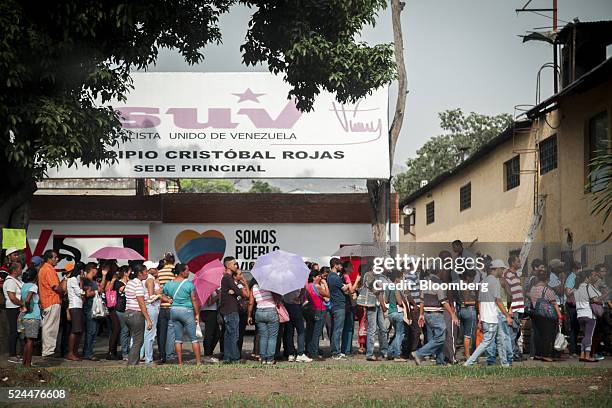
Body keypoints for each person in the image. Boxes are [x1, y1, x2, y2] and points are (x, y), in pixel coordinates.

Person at [464, 260, 513, 367]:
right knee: (487, 342)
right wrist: (507, 315)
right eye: (502, 269)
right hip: (492, 316)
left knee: (500, 340)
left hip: (487, 316)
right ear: (497, 269)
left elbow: (479, 301)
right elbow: (498, 300)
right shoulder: (494, 282)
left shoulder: (484, 281)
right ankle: (469, 362)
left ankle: (505, 364)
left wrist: (480, 317)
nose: (503, 271)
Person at [413, 267, 459, 366]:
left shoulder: (425, 283)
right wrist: (452, 314)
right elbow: (443, 301)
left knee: (438, 337)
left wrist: (421, 314)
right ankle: (419, 353)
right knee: (440, 339)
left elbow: (422, 300)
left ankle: (440, 360)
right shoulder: (439, 284)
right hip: (436, 314)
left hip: (427, 314)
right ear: (440, 271)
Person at [162, 263, 201, 365]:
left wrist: (169, 300)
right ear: (182, 272)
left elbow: (160, 293)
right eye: (187, 270)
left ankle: (180, 363)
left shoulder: (169, 283)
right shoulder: (189, 284)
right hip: (186, 311)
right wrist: (197, 313)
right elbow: (194, 299)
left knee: (178, 339)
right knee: (194, 338)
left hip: (174, 310)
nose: (188, 272)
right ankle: (198, 362)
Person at [527, 264, 563, 362]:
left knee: (538, 335)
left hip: (535, 314)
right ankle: (546, 355)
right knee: (547, 335)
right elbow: (555, 304)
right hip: (546, 316)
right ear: (547, 279)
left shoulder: (533, 289)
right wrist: (560, 317)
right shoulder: (547, 290)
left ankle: (538, 354)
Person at [219, 257, 248, 363]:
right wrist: (237, 289)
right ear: (228, 266)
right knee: (234, 335)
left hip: (227, 310)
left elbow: (235, 291)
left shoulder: (226, 278)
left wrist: (234, 290)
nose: (236, 266)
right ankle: (235, 358)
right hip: (231, 310)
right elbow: (240, 292)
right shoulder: (228, 277)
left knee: (228, 335)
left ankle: (227, 357)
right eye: (234, 264)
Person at [124, 264, 153, 366]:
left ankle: (132, 363)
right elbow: (141, 303)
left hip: (127, 314)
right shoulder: (138, 284)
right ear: (140, 273)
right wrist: (148, 319)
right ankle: (132, 365)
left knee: (135, 339)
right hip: (136, 314)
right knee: (138, 341)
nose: (147, 273)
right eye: (145, 271)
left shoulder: (130, 283)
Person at [247, 279, 279, 364]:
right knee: (272, 336)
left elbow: (251, 303)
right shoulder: (270, 286)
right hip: (271, 311)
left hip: (259, 312)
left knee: (263, 336)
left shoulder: (254, 287)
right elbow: (278, 298)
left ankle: (263, 358)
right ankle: (270, 359)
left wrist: (249, 316)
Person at [38, 250, 63, 357]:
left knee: (49, 327)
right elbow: (56, 286)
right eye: (55, 257)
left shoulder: (44, 268)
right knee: (50, 327)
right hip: (51, 301)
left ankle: (48, 350)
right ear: (49, 258)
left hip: (48, 301)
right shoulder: (48, 269)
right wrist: (63, 289)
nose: (57, 259)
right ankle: (48, 351)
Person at [362, 267, 389, 361]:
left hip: (378, 305)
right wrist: (378, 286)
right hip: (371, 304)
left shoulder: (379, 277)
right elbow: (372, 289)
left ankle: (384, 351)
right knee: (372, 329)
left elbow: (380, 292)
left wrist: (383, 305)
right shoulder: (368, 275)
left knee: (383, 329)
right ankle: (370, 353)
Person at [502, 255, 525, 361]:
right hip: (514, 307)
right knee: (512, 332)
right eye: (518, 261)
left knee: (517, 332)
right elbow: (508, 292)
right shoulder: (507, 274)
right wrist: (510, 308)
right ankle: (511, 354)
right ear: (512, 263)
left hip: (519, 307)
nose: (520, 263)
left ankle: (515, 352)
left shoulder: (515, 275)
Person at [575, 269, 601, 362]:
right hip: (589, 313)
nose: (595, 277)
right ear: (587, 277)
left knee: (585, 335)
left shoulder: (577, 288)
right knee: (589, 336)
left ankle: (582, 354)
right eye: (593, 275)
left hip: (579, 314)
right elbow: (596, 299)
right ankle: (587, 355)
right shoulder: (588, 287)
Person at [82, 262, 106, 361]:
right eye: (96, 269)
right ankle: (88, 353)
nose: (97, 271)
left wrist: (104, 275)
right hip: (90, 308)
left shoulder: (92, 281)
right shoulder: (87, 281)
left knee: (94, 331)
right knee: (91, 331)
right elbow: (87, 294)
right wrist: (96, 291)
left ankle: (89, 351)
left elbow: (102, 288)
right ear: (92, 269)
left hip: (95, 309)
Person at [327, 258, 349, 360]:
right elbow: (345, 289)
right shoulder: (335, 277)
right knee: (338, 329)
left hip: (334, 305)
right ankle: (336, 352)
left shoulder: (329, 276)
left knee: (335, 329)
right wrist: (348, 283)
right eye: (339, 265)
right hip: (339, 306)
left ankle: (334, 350)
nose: (341, 267)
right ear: (335, 265)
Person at [141, 261, 162, 364]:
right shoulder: (150, 280)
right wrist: (159, 295)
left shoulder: (148, 279)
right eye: (154, 268)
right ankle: (148, 359)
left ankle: (143, 356)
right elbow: (151, 297)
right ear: (149, 270)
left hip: (148, 307)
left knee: (146, 333)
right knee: (150, 334)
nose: (156, 269)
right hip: (151, 307)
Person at [305, 270, 329, 360]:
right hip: (320, 309)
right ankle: (314, 353)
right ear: (313, 277)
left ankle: (309, 351)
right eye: (318, 276)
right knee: (316, 333)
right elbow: (328, 294)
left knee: (310, 332)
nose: (320, 278)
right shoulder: (317, 286)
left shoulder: (308, 286)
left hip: (310, 309)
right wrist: (325, 284)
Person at [283, 287, 311, 362]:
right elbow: (304, 288)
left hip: (286, 304)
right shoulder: (296, 280)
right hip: (294, 304)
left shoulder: (283, 281)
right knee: (301, 330)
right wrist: (300, 296)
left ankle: (290, 354)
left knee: (289, 331)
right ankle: (300, 353)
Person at [156, 253, 176, 364]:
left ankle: (162, 354)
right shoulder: (175, 271)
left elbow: (159, 288)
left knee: (162, 332)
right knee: (171, 332)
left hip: (161, 305)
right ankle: (170, 355)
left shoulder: (160, 272)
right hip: (172, 304)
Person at [3, 262, 24, 363]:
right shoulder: (10, 281)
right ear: (14, 270)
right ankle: (12, 354)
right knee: (14, 331)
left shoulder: (17, 280)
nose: (21, 270)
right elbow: (12, 297)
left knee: (18, 331)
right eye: (20, 268)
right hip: (13, 308)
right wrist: (22, 304)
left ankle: (17, 353)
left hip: (17, 308)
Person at [20, 268, 41, 367]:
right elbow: (28, 300)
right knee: (30, 341)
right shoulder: (34, 286)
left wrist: (24, 309)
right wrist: (28, 308)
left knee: (27, 341)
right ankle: (28, 363)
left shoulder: (23, 286)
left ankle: (24, 362)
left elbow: (22, 300)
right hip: (33, 315)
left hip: (24, 316)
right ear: (35, 276)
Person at [387, 269, 408, 361]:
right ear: (396, 278)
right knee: (401, 334)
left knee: (397, 334)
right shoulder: (396, 288)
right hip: (398, 312)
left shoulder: (388, 287)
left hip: (390, 312)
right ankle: (397, 354)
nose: (401, 279)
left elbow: (386, 300)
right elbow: (399, 302)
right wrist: (403, 299)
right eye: (400, 278)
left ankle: (390, 351)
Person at [456, 269, 478, 360]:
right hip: (468, 309)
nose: (473, 279)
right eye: (472, 277)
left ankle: (468, 353)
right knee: (468, 334)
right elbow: (466, 301)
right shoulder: (465, 285)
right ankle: (468, 355)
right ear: (467, 277)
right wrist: (476, 302)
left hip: (461, 310)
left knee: (465, 334)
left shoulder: (460, 284)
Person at [65, 263, 84, 361]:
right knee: (75, 330)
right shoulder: (72, 279)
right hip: (75, 306)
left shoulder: (76, 279)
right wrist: (86, 292)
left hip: (78, 306)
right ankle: (70, 352)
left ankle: (75, 352)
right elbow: (79, 292)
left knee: (79, 331)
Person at [564, 261, 581, 357]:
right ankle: (573, 351)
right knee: (573, 328)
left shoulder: (575, 277)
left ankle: (574, 350)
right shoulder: (571, 277)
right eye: (579, 268)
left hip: (575, 304)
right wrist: (576, 288)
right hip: (571, 305)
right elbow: (567, 292)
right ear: (574, 269)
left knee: (576, 327)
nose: (580, 270)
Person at [113, 265, 130, 360]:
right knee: (125, 330)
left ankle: (127, 350)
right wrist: (129, 283)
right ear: (125, 273)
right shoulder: (118, 283)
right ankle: (125, 353)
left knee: (127, 331)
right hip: (121, 309)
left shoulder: (126, 282)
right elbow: (125, 290)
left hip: (127, 308)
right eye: (129, 272)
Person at [201, 286, 221, 363]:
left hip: (212, 311)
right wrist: (218, 296)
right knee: (209, 334)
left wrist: (217, 291)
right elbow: (209, 303)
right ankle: (208, 354)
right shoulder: (206, 288)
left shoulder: (212, 288)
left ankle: (209, 352)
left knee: (217, 333)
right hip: (208, 312)